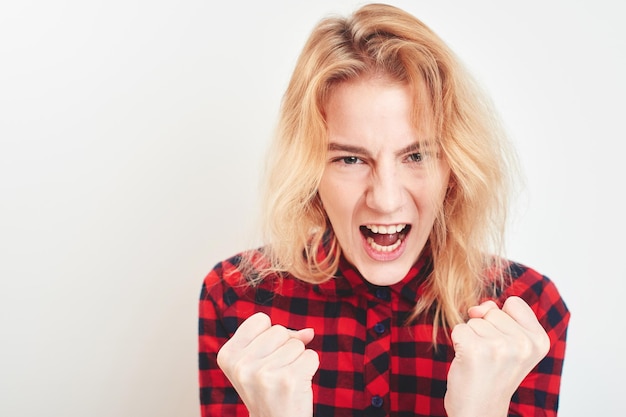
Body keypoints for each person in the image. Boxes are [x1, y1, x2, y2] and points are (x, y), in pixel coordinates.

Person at [198, 3, 570, 417]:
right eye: (350, 160)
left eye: (416, 156)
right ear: (310, 170)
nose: (386, 199)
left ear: (454, 166)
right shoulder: (235, 297)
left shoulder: (527, 312)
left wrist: (482, 410)